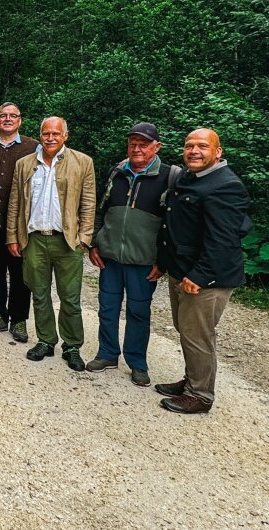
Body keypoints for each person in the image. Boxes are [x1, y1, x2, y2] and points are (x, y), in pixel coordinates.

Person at [156, 128, 251, 414]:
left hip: (206, 278)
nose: (194, 151)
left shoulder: (225, 185)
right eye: (189, 146)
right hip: (183, 269)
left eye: (202, 146)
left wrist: (199, 275)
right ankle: (192, 380)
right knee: (187, 331)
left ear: (218, 152)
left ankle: (200, 395)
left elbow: (222, 240)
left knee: (198, 335)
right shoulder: (190, 177)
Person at [86, 122, 176, 387]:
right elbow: (101, 210)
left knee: (139, 312)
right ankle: (107, 353)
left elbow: (174, 224)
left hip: (143, 261)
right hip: (110, 258)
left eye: (143, 144)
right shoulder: (117, 172)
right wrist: (94, 243)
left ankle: (137, 362)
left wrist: (164, 260)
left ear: (156, 147)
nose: (137, 149)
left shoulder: (169, 177)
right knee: (107, 308)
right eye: (132, 143)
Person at [7, 117, 96, 372]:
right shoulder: (25, 164)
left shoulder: (82, 162)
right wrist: (12, 237)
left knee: (70, 297)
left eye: (56, 133)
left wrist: (84, 238)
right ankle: (46, 340)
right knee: (39, 293)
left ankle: (72, 345)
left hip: (67, 241)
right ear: (40, 135)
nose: (50, 138)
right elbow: (15, 203)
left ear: (65, 136)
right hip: (34, 239)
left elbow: (89, 203)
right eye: (46, 133)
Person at [0, 102, 37, 342]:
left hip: (20, 225)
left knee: (21, 273)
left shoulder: (34, 148)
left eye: (13, 116)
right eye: (3, 116)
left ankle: (20, 319)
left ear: (20, 121)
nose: (8, 119)